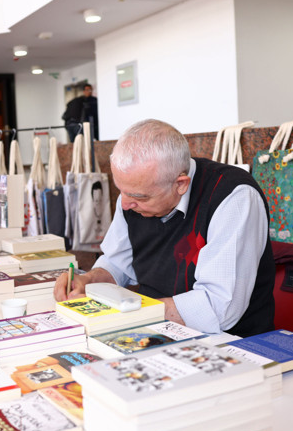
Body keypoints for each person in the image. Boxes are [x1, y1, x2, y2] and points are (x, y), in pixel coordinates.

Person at [54, 119, 275, 337]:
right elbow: (117, 262)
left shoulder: (233, 196)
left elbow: (218, 307)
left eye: (139, 196)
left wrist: (131, 313)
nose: (125, 204)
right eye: (121, 190)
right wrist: (88, 281)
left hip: (229, 342)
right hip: (154, 326)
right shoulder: (135, 193)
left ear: (181, 184)